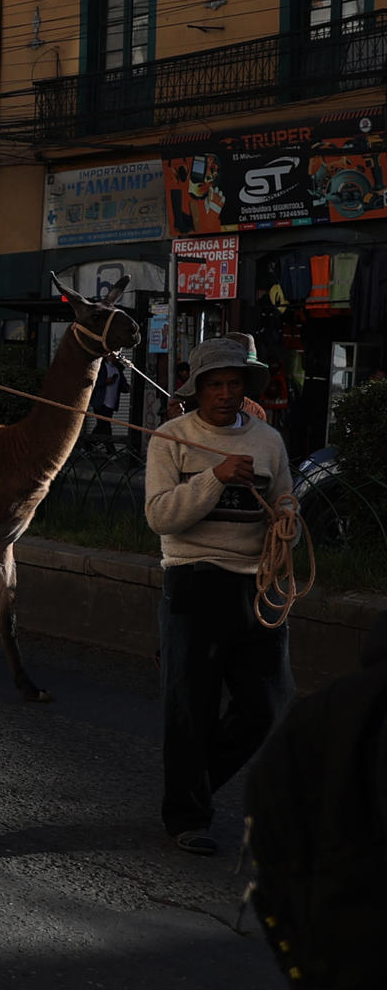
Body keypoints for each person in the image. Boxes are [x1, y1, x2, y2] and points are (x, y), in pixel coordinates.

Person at [145, 336, 296, 857]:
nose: (226, 394)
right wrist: (214, 477)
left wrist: (288, 522)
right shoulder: (170, 438)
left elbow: (284, 503)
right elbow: (161, 517)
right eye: (215, 385)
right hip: (193, 579)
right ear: (198, 390)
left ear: (246, 388)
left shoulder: (269, 441)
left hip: (258, 585)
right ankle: (188, 817)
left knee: (268, 705)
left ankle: (192, 784)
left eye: (235, 384)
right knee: (192, 706)